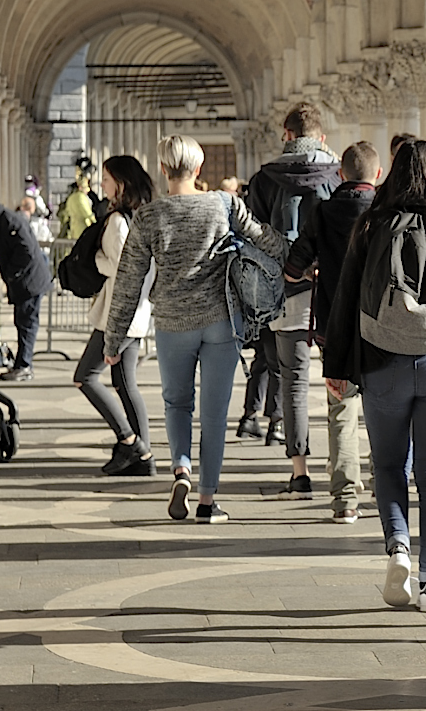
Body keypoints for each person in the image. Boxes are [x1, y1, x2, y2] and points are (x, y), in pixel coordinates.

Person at [322, 139, 426, 612]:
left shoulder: (372, 226)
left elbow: (346, 300)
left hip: (383, 362)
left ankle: (398, 549)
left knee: (388, 466)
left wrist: (338, 368)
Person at [104, 135, 286, 523]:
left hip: (172, 324)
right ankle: (207, 500)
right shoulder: (224, 204)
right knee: (215, 413)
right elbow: (266, 240)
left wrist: (114, 337)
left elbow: (128, 281)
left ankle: (181, 469)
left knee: (177, 404)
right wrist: (300, 254)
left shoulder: (148, 216)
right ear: (199, 169)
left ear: (164, 169)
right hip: (220, 321)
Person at [244, 103, 339, 500]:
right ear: (320, 138)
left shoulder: (265, 179)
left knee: (293, 382)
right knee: (341, 383)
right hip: (333, 293)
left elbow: (254, 238)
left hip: (286, 292)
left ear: (286, 136)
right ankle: (342, 470)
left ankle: (300, 473)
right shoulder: (336, 175)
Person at [285, 141, 380, 523]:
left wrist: (311, 274)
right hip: (380, 328)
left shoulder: (323, 212)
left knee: (341, 412)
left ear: (340, 174)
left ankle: (345, 501)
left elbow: (293, 267)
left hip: (334, 329)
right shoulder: (384, 212)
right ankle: (385, 485)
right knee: (383, 409)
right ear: (378, 174)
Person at [73, 156, 156, 476]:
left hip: (118, 315)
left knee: (86, 376)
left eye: (106, 178)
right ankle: (143, 458)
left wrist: (95, 258)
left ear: (121, 182)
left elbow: (125, 269)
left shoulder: (120, 220)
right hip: (133, 312)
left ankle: (130, 440)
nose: (101, 184)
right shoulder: (140, 215)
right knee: (124, 383)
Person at [0, 199, 52, 381]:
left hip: (29, 281)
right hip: (25, 281)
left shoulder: (9, 222)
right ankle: (22, 363)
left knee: (26, 323)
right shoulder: (2, 223)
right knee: (23, 322)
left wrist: (12, 274)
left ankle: (24, 365)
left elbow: (25, 251)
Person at [57, 170, 97, 241]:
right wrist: (95, 222)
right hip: (82, 228)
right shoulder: (81, 197)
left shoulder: (71, 198)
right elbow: (87, 212)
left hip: (73, 228)